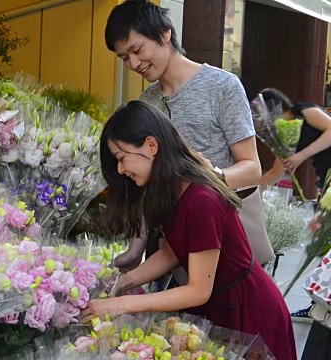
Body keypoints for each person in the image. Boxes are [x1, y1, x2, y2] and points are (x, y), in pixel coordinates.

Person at [81, 101, 296, 359]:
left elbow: (197, 289)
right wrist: (121, 283)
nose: (120, 169)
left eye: (122, 158)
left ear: (151, 146)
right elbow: (172, 253)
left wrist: (121, 304)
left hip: (248, 312)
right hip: (220, 307)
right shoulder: (176, 191)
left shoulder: (201, 199)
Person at [105, 0, 270, 273]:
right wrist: (136, 248)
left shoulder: (222, 86)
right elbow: (148, 184)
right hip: (170, 246)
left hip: (221, 239)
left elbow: (252, 168)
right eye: (124, 58)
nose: (133, 63)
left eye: (137, 50)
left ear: (165, 32)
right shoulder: (147, 102)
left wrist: (201, 181)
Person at [258, 88, 331, 190]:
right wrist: (249, 189)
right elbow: (277, 172)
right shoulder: (284, 134)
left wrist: (300, 156)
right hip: (324, 172)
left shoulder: (303, 110)